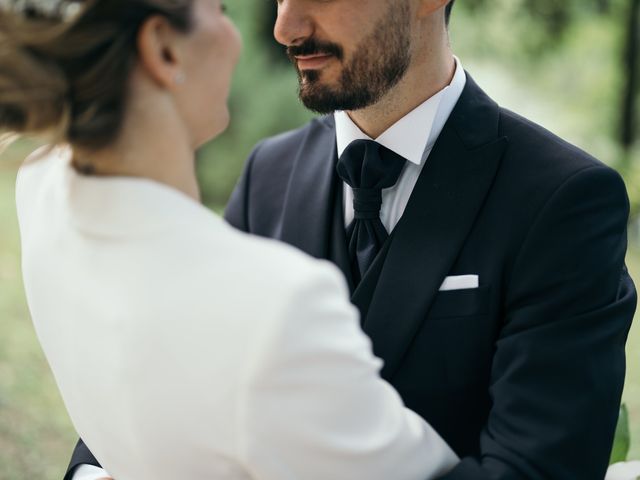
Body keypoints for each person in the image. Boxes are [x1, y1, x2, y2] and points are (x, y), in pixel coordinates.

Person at [62, 0, 635, 478]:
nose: (286, 27)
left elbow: (535, 471)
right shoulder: (269, 173)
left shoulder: (564, 200)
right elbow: (170, 378)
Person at [2, 0, 462, 479]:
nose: (281, 33)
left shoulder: (38, 190)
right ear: (164, 50)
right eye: (220, 9)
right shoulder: (277, 304)